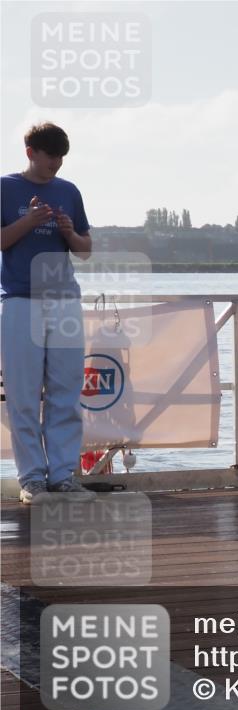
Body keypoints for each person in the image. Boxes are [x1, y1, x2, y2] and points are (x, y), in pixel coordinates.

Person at [1, 122, 96, 503]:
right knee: (23, 395)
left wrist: (70, 233)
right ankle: (32, 480)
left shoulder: (68, 191)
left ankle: (62, 476)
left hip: (65, 301)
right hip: (20, 300)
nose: (56, 163)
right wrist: (29, 221)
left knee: (66, 391)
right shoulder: (5, 187)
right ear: (30, 152)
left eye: (61, 156)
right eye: (50, 155)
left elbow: (85, 249)